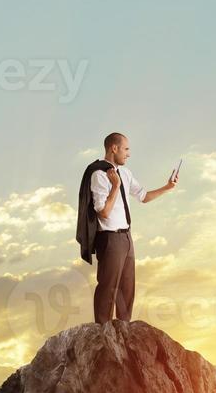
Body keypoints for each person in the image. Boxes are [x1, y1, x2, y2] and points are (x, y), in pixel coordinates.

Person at [75, 132, 179, 324]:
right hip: (110, 238)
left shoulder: (126, 173)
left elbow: (144, 197)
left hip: (127, 238)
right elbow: (103, 212)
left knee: (127, 288)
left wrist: (167, 187)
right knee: (108, 287)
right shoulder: (98, 174)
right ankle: (103, 332)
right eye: (126, 149)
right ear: (114, 148)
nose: (128, 154)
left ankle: (124, 331)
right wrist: (115, 186)